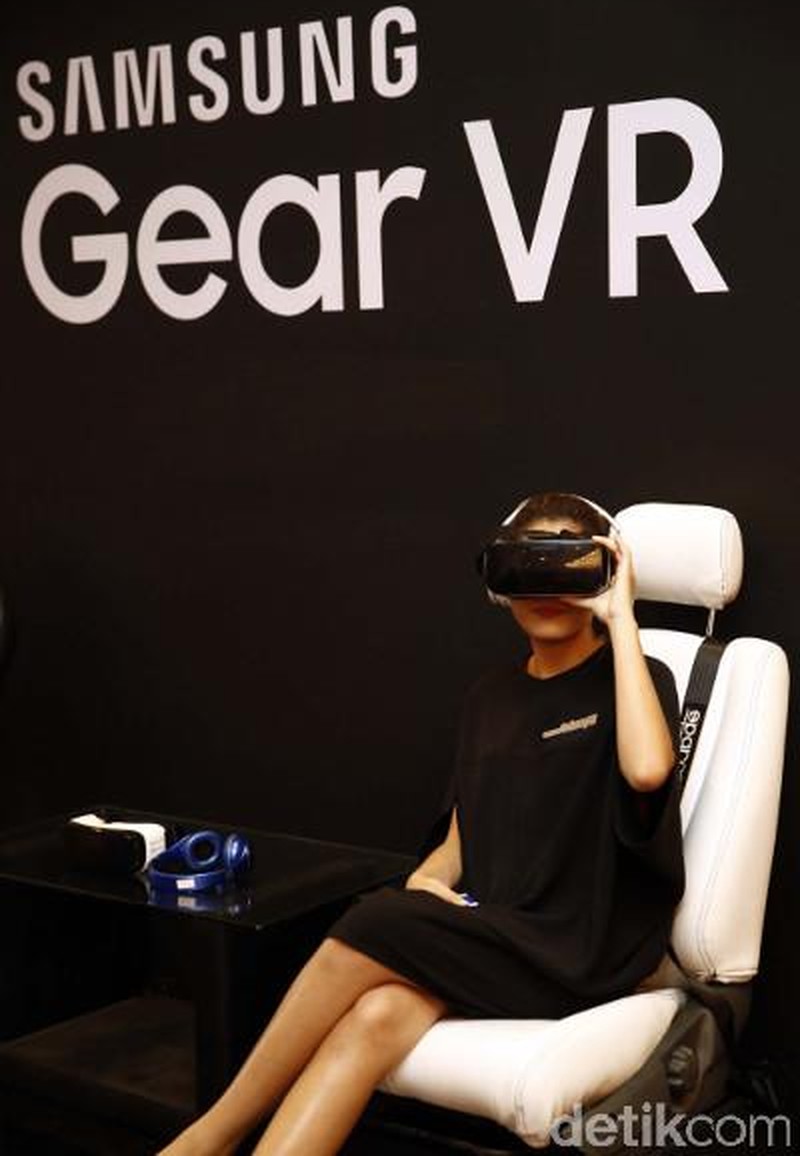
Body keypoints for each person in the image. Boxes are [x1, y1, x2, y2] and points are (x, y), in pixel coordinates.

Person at [158, 491, 685, 1156]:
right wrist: (428, 885)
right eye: (526, 567)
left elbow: (646, 771)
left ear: (601, 572)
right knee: (377, 1015)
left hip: (582, 953)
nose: (545, 588)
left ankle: (210, 1135)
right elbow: (462, 839)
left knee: (375, 919)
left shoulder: (637, 677)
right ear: (498, 583)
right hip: (504, 941)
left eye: (565, 565)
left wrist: (621, 616)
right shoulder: (490, 698)